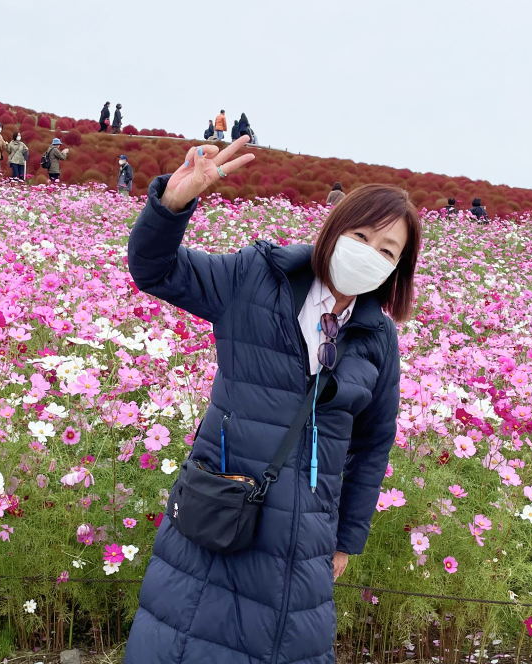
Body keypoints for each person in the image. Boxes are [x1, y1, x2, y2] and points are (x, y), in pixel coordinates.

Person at [123, 136, 422, 664]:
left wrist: (348, 538)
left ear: (398, 268)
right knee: (186, 640)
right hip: (222, 517)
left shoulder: (377, 340)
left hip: (305, 538)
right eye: (360, 235)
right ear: (332, 230)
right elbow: (155, 270)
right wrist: (173, 202)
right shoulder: (256, 277)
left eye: (387, 251)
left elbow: (374, 445)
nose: (369, 254)